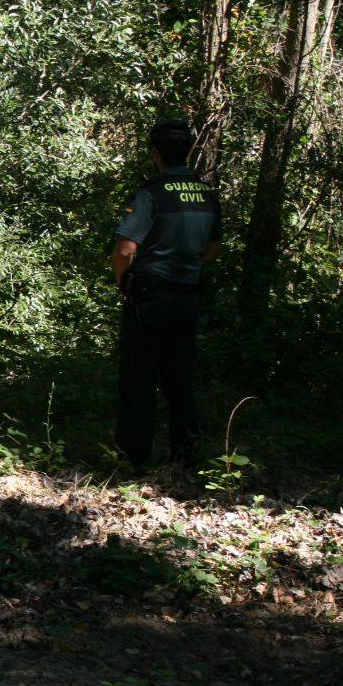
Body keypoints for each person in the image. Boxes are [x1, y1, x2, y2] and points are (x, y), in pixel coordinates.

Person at [112, 119, 223, 467]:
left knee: (139, 379)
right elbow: (214, 248)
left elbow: (125, 250)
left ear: (155, 154)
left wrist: (124, 284)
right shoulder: (207, 195)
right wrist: (187, 263)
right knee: (180, 380)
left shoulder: (151, 194)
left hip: (150, 296)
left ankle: (134, 458)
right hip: (187, 296)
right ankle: (186, 457)